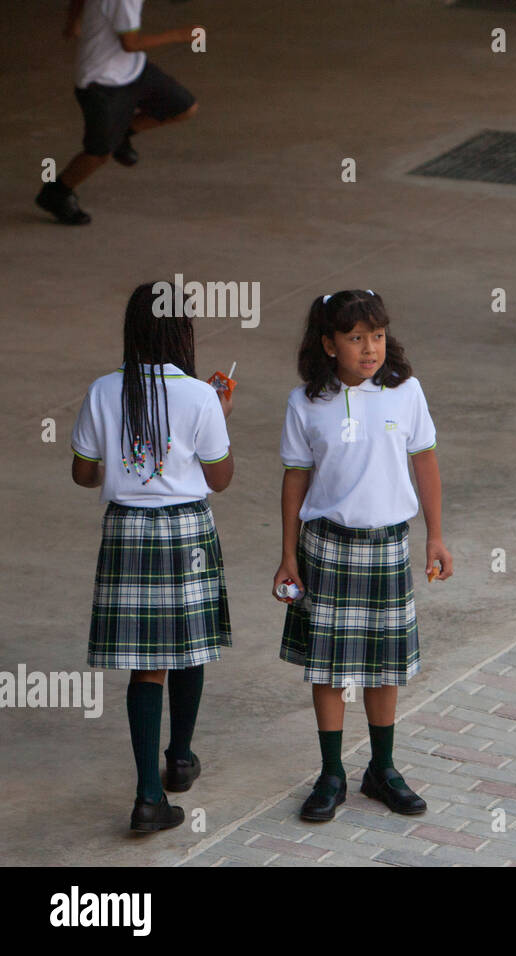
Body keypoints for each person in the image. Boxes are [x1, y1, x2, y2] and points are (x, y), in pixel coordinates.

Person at [274, 289, 453, 822]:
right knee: (327, 668)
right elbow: (295, 480)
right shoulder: (306, 402)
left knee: (383, 665)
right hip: (325, 546)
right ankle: (331, 773)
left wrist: (436, 536)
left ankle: (382, 768)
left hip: (388, 545)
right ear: (329, 344)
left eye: (376, 336)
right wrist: (288, 555)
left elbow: (425, 463)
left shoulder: (406, 392)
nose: (369, 348)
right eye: (355, 338)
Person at [71, 281, 234, 831]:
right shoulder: (199, 395)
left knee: (147, 663)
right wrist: (220, 415)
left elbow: (83, 473)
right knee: (190, 644)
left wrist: (115, 465)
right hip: (185, 530)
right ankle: (179, 759)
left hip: (126, 531)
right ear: (181, 331)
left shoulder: (102, 390)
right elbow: (221, 478)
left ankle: (148, 796)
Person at [37, 0, 201, 225]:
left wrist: (73, 21)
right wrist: (180, 35)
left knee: (183, 106)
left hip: (133, 69)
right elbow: (130, 44)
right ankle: (56, 193)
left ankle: (123, 133)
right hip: (101, 82)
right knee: (98, 153)